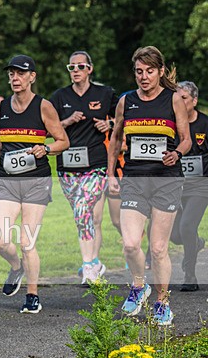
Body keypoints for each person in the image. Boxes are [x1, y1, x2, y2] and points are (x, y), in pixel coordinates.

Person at [107, 46, 192, 326]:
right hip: (134, 178)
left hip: (166, 179)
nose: (144, 77)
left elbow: (186, 139)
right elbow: (116, 140)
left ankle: (162, 302)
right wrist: (111, 174)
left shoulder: (174, 99)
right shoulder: (125, 101)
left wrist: (176, 153)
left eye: (150, 71)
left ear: (160, 71)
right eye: (139, 72)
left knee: (157, 249)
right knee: (130, 243)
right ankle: (139, 285)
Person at [0, 54, 69, 313]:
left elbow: (63, 141)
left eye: (21, 73)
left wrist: (45, 148)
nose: (15, 78)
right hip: (8, 181)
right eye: (11, 73)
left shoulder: (43, 106)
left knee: (26, 241)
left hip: (36, 181)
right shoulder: (1, 107)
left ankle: (32, 294)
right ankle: (16, 267)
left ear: (32, 77)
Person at [50, 51, 119, 285]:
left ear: (90, 69)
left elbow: (127, 116)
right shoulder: (59, 97)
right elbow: (47, 129)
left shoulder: (105, 93)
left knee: (82, 211)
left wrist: (109, 123)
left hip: (96, 164)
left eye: (80, 66)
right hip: (67, 167)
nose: (76, 70)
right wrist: (67, 121)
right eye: (72, 67)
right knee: (91, 217)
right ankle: (96, 262)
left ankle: (88, 265)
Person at [169, 81, 208, 291]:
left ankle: (190, 275)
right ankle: (197, 242)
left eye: (184, 98)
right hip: (176, 185)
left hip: (200, 187)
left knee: (186, 227)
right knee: (176, 236)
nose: (180, 102)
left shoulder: (205, 124)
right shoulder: (172, 125)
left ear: (194, 100)